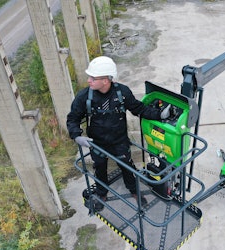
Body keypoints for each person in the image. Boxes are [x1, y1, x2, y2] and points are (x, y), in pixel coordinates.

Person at [67, 56, 170, 211]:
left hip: (119, 141)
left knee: (127, 166)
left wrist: (159, 115)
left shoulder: (122, 93)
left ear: (106, 80)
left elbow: (138, 109)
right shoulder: (84, 97)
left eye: (93, 78)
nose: (88, 80)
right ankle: (102, 193)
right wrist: (77, 136)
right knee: (100, 167)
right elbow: (73, 118)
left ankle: (134, 190)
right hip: (97, 143)